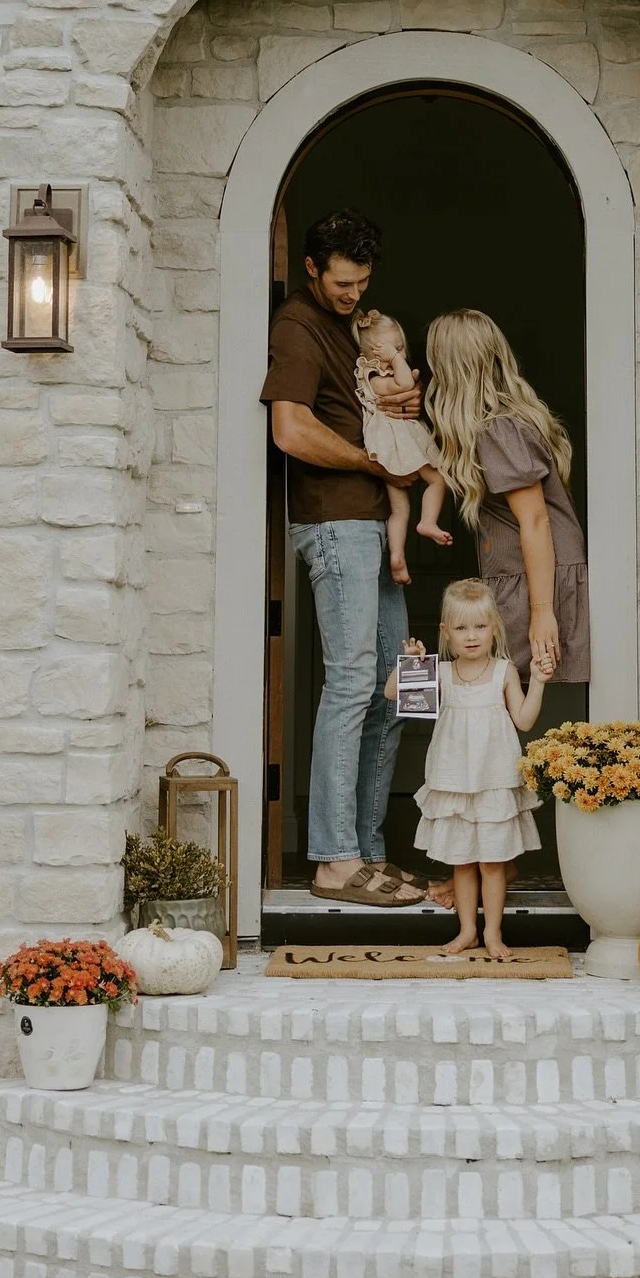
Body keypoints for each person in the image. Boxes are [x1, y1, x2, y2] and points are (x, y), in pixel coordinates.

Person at [260, 208, 424, 908]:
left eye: (362, 282)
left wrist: (402, 401)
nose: (353, 294)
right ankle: (331, 859)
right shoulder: (296, 326)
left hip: (373, 526)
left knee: (401, 692)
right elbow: (292, 430)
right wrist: (373, 460)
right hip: (336, 525)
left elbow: (363, 395)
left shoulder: (348, 324)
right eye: (341, 283)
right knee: (354, 685)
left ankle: (367, 853)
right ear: (310, 269)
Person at [425, 308, 590, 685]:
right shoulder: (494, 427)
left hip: (536, 581)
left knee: (501, 696)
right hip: (524, 576)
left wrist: (542, 611)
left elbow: (535, 520)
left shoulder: (497, 429)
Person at [394, 579, 551, 961]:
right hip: (454, 782)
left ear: (494, 627)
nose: (471, 636)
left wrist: (540, 682)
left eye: (479, 626)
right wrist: (415, 664)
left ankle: (494, 934)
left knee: (493, 863)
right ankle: (468, 932)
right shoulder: (443, 674)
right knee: (462, 862)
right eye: (461, 628)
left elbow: (525, 720)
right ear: (446, 633)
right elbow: (392, 694)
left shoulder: (503, 671)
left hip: (493, 781)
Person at [352, 309, 452, 585]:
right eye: (394, 348)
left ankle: (397, 558)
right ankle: (428, 522)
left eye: (401, 347)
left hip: (390, 448)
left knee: (399, 510)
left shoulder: (373, 375)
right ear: (375, 353)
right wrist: (398, 362)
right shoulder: (374, 377)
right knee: (437, 480)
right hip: (397, 444)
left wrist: (399, 363)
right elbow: (405, 383)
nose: (400, 352)